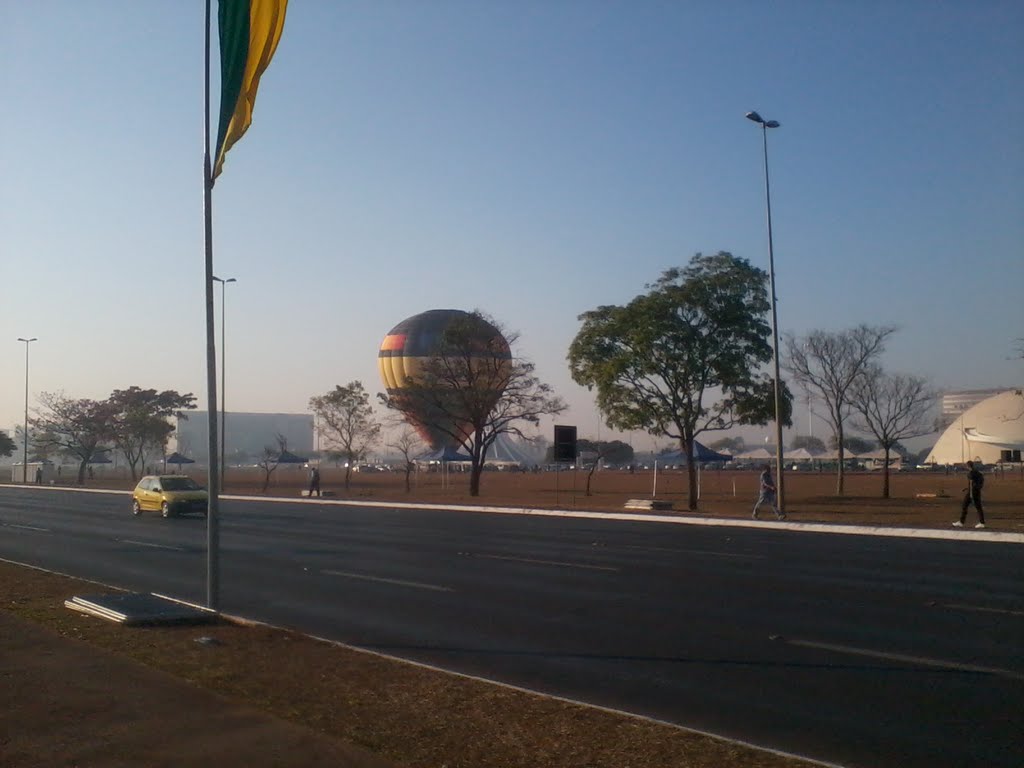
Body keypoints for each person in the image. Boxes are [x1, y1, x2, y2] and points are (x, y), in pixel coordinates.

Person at [953, 461, 985, 529]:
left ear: (968, 466)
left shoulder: (971, 473)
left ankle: (981, 523)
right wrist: (967, 488)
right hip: (973, 492)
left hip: (973, 493)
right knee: (969, 506)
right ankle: (961, 522)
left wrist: (971, 492)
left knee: (975, 507)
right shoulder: (976, 472)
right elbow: (974, 483)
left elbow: (972, 482)